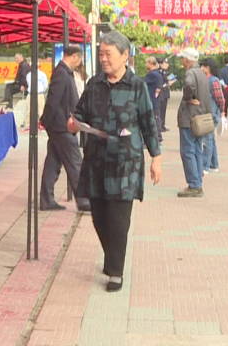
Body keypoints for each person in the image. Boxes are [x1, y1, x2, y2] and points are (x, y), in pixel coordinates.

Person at [67, 32, 161, 292]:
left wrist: (156, 158)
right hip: (97, 161)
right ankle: (112, 257)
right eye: (101, 54)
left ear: (124, 55)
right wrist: (73, 124)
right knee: (98, 216)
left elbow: (148, 123)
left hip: (125, 164)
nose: (104, 59)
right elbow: (79, 113)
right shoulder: (94, 84)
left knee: (118, 220)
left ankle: (116, 271)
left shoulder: (137, 86)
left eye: (108, 54)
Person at [39, 45, 90, 212]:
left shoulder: (64, 72)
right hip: (61, 126)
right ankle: (83, 200)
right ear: (75, 56)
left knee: (53, 163)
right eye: (80, 59)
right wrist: (45, 121)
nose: (79, 63)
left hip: (61, 125)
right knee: (75, 162)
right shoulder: (62, 72)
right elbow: (53, 100)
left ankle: (46, 199)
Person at [177, 47, 211, 198]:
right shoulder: (202, 73)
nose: (181, 61)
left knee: (188, 151)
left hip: (190, 118)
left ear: (186, 59)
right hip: (200, 118)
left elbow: (189, 85)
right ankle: (197, 182)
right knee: (197, 150)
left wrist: (188, 98)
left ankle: (194, 184)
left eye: (182, 59)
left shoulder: (190, 73)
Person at [200, 58, 224, 173]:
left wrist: (222, 111)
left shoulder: (214, 81)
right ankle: (214, 165)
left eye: (203, 66)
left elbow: (220, 99)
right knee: (210, 139)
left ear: (208, 67)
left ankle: (205, 166)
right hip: (207, 113)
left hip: (212, 114)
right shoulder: (206, 79)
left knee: (207, 140)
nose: (201, 68)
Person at [143, 57, 164, 135]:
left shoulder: (152, 74)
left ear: (151, 64)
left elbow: (143, 83)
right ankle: (158, 135)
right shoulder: (157, 74)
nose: (145, 65)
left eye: (147, 63)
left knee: (154, 117)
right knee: (156, 116)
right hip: (156, 99)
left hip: (152, 99)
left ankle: (157, 135)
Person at [157, 59, 172, 132]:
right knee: (161, 110)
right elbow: (162, 84)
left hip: (165, 93)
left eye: (167, 63)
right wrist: (168, 84)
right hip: (161, 93)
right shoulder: (160, 72)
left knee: (163, 110)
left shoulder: (165, 72)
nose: (166, 65)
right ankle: (160, 126)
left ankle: (162, 125)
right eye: (165, 63)